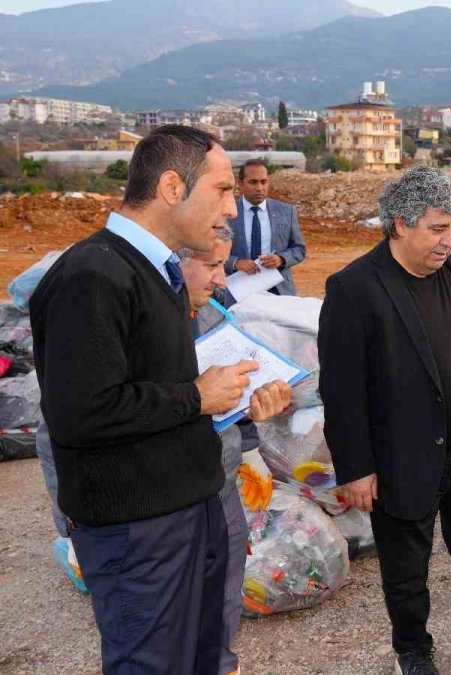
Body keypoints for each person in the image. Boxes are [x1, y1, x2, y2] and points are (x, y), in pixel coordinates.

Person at [29, 125, 292, 674]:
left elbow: (149, 387)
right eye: (222, 190)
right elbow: (82, 413)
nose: (233, 209)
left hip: (184, 508)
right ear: (173, 187)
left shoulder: (156, 271)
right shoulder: (94, 274)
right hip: (137, 528)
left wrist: (229, 399)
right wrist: (196, 397)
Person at [319, 167, 451, 675]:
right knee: (406, 569)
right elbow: (342, 390)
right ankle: (412, 652)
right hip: (402, 456)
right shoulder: (354, 288)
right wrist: (355, 469)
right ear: (399, 224)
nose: (449, 240)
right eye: (438, 228)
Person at [178, 226, 273, 675]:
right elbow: (58, 429)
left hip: (222, 482)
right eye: (214, 266)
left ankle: (222, 664)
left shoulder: (215, 317)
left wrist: (255, 421)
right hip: (167, 497)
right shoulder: (137, 322)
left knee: (224, 586)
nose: (222, 280)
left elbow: (238, 400)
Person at [225, 158, 307, 295]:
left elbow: (299, 249)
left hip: (279, 290)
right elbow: (211, 252)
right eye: (253, 182)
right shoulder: (227, 213)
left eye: (264, 182)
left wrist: (281, 259)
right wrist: (236, 262)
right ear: (240, 184)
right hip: (239, 290)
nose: (259, 188)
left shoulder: (286, 211)